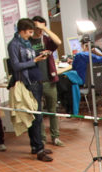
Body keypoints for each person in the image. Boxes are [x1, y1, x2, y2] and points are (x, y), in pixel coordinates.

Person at [8, 18, 51, 161]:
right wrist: (34, 61)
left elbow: (29, 59)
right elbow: (16, 65)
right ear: (22, 30)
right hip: (27, 83)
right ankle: (39, 149)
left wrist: (40, 56)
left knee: (37, 116)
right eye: (30, 32)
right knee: (35, 116)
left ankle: (36, 146)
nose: (31, 35)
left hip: (35, 80)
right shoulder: (14, 45)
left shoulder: (27, 43)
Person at [31, 16, 63, 147]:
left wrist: (45, 29)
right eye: (37, 28)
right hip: (35, 82)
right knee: (38, 112)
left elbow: (58, 42)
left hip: (49, 80)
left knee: (52, 109)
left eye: (42, 28)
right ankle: (42, 138)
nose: (40, 31)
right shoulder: (28, 42)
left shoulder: (46, 40)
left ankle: (55, 136)